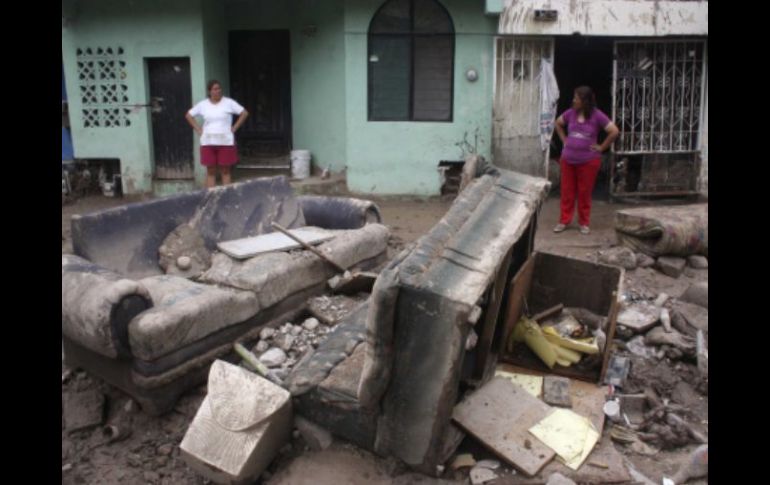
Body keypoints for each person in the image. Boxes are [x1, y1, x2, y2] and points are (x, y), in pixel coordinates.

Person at [553, 86, 619, 235]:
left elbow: (614, 131)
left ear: (584, 101)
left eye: (576, 98)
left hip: (588, 162)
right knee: (567, 192)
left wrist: (602, 147)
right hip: (568, 160)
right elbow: (558, 123)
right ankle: (564, 221)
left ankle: (584, 223)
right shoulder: (570, 113)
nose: (573, 100)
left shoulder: (597, 116)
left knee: (584, 192)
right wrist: (564, 140)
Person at [185, 80, 249, 188]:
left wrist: (234, 128)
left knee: (225, 171)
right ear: (209, 91)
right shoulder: (203, 104)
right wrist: (199, 130)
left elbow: (244, 113)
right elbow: (188, 115)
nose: (218, 91)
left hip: (226, 142)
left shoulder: (229, 103)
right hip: (208, 142)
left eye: (219, 88)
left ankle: (226, 197)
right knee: (210, 171)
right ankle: (211, 198)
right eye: (214, 89)